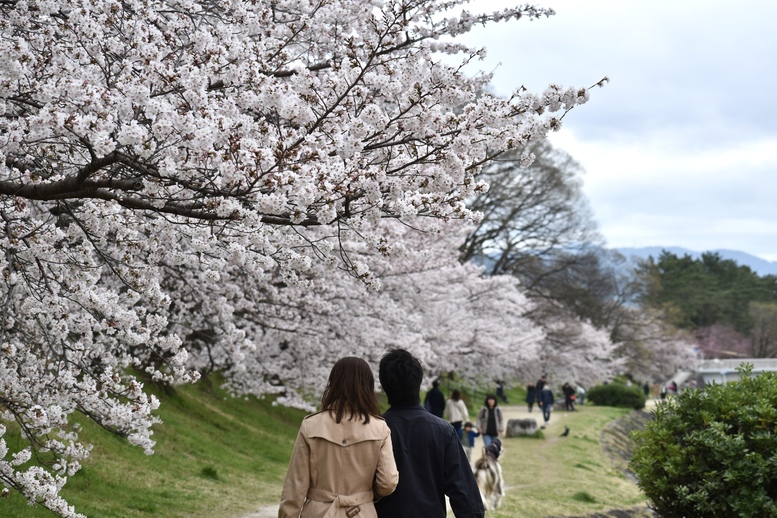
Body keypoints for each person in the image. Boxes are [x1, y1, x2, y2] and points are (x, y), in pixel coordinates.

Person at [279, 357, 399, 518]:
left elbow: (295, 485)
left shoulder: (311, 424)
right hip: (361, 512)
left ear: (333, 383)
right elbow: (387, 482)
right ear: (368, 385)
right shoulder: (379, 427)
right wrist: (365, 495)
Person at [375, 349, 484, 518]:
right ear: (419, 381)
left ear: (384, 384)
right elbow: (463, 491)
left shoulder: (374, 430)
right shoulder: (443, 430)